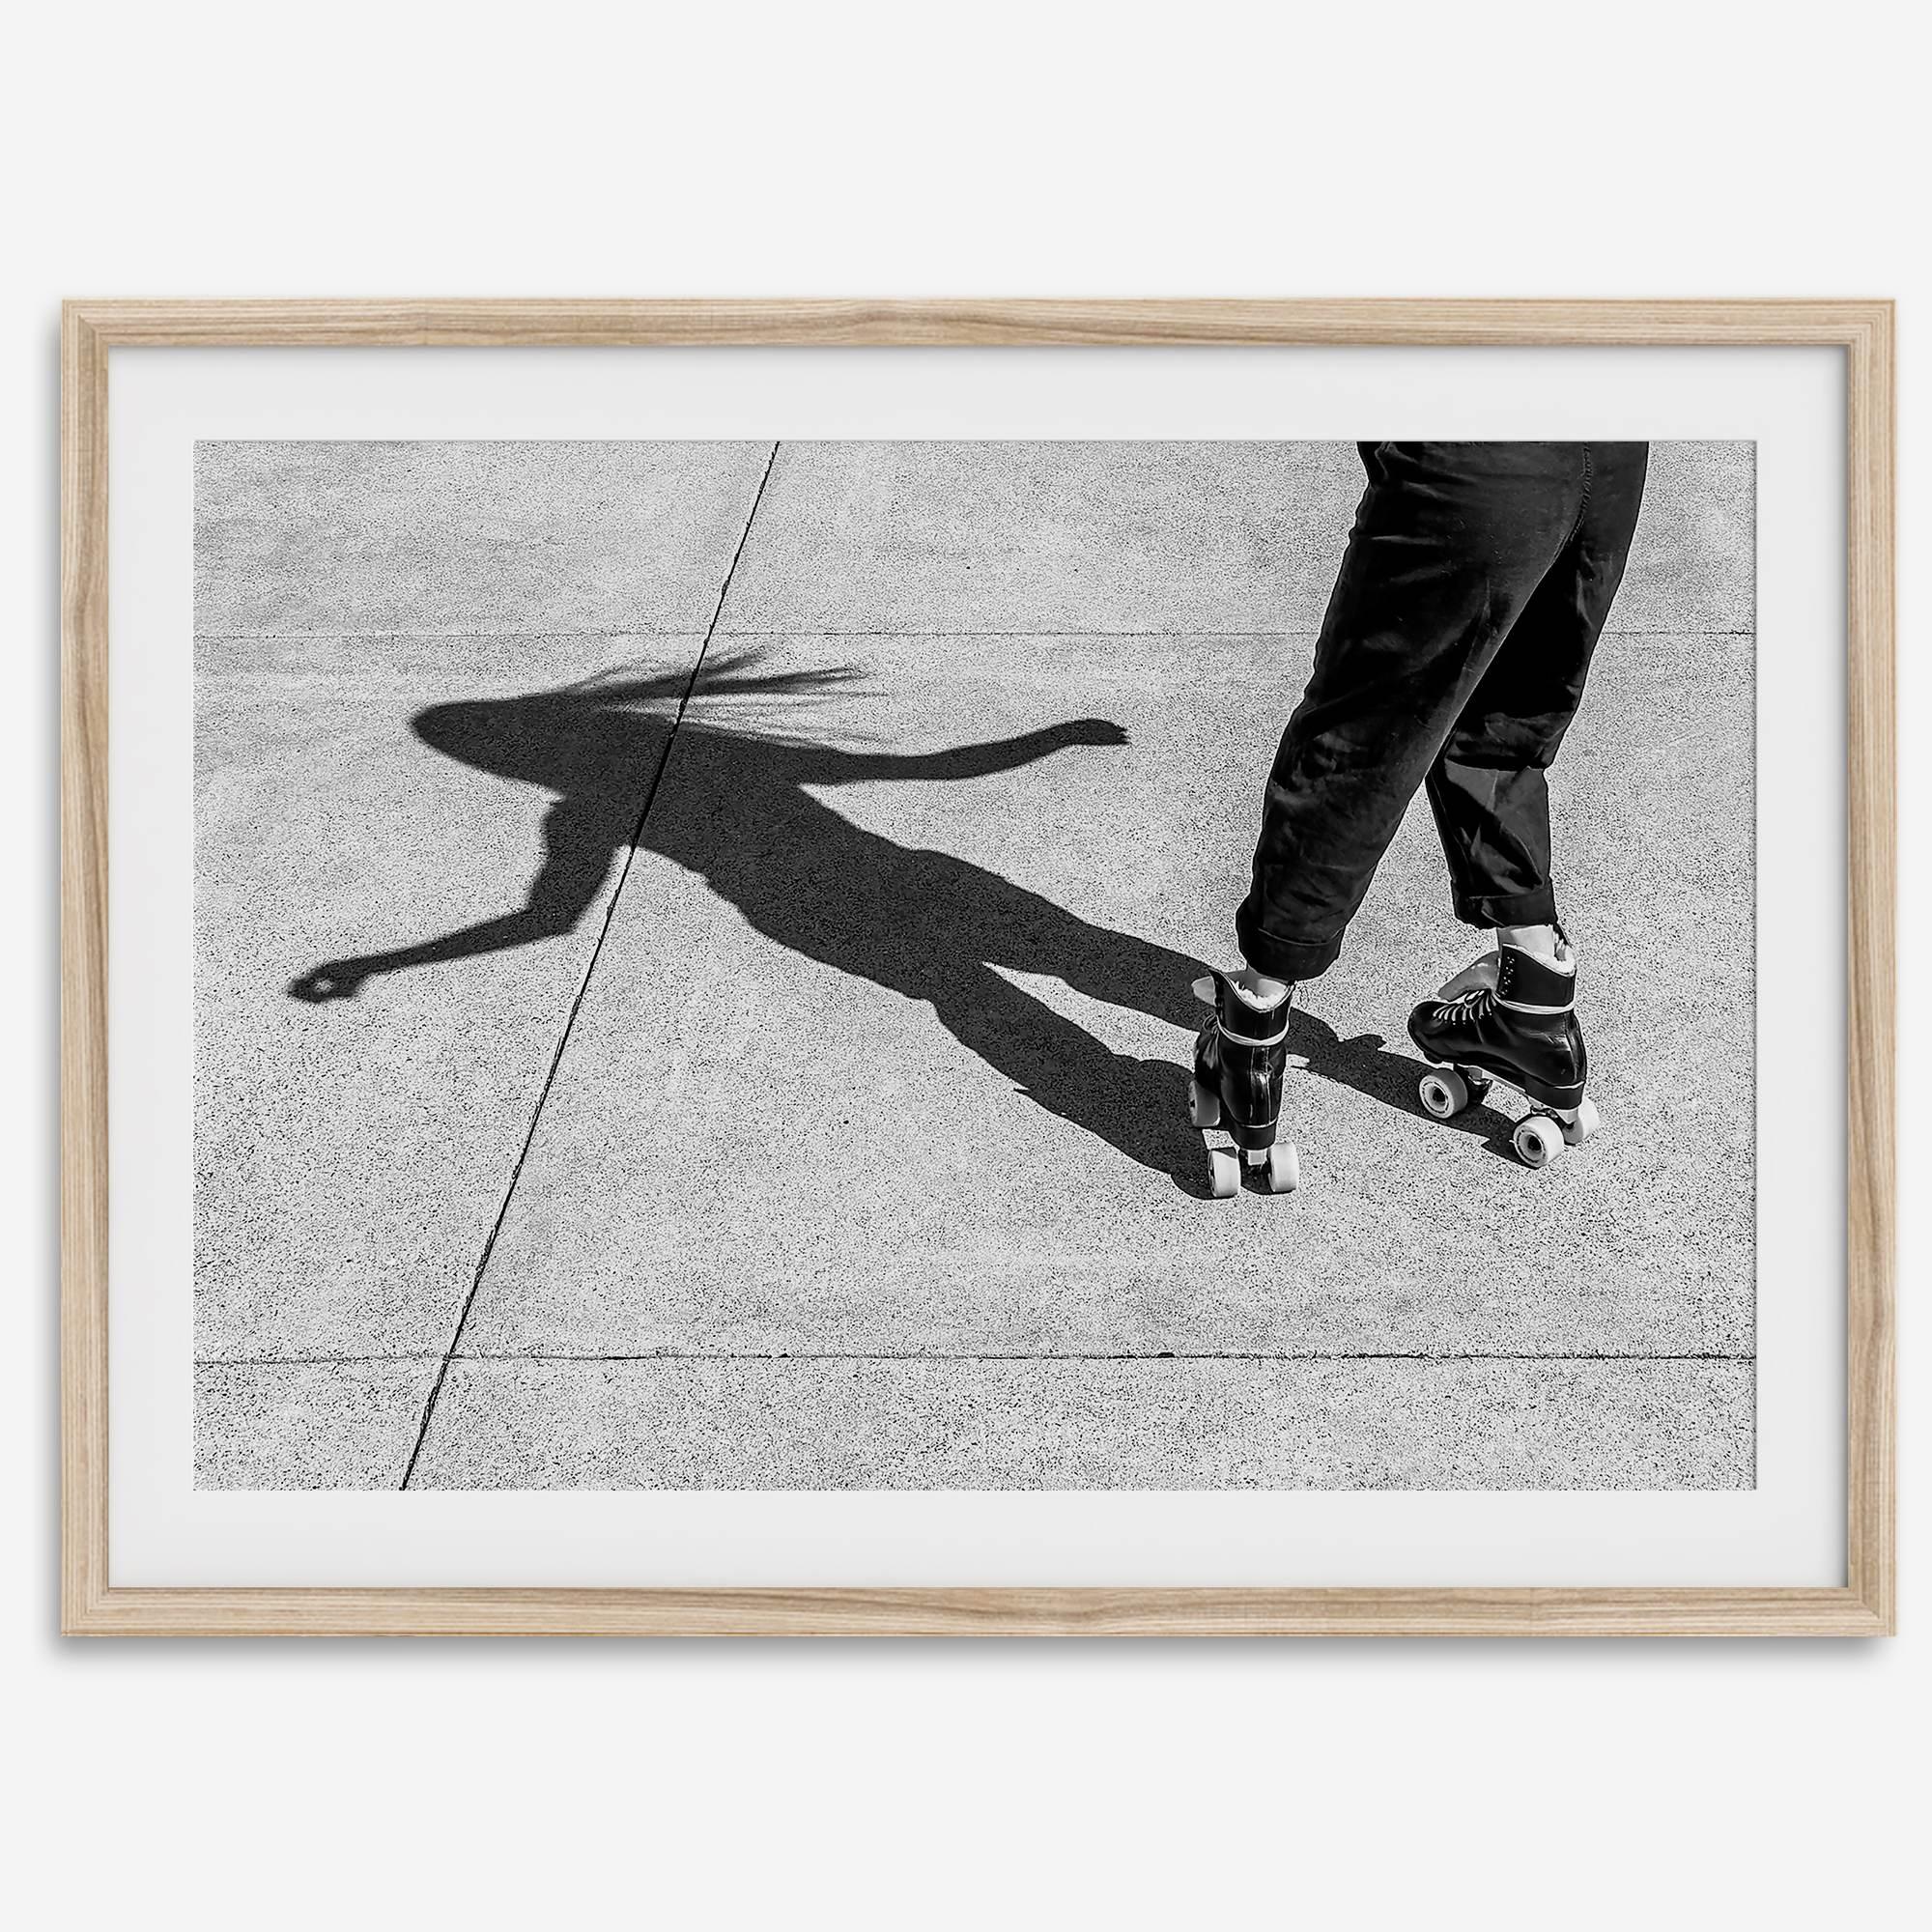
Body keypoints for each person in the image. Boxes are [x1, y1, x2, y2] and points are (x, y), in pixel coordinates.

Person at [1189, 440, 1650, 1192]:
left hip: (1475, 448)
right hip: (1610, 449)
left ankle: (1250, 1033)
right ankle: (1532, 1005)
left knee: (1358, 744)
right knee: (1502, 732)